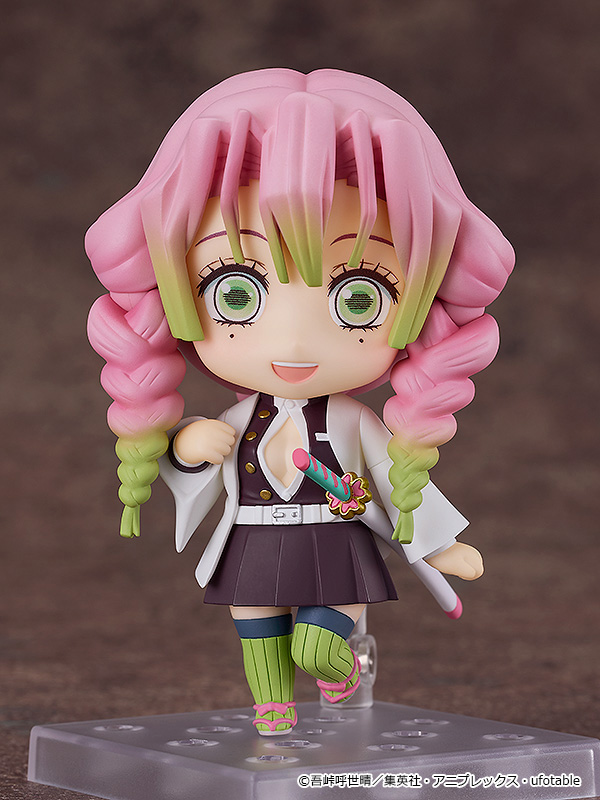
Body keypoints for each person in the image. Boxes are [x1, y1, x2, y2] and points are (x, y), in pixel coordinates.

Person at [86, 69, 514, 735]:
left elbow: (394, 475)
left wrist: (438, 543)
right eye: (236, 291)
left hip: (333, 540)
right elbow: (192, 466)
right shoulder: (241, 419)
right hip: (254, 539)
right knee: (256, 626)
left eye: (359, 296)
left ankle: (338, 669)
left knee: (314, 642)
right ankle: (272, 711)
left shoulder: (352, 421)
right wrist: (189, 445)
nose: (292, 341)